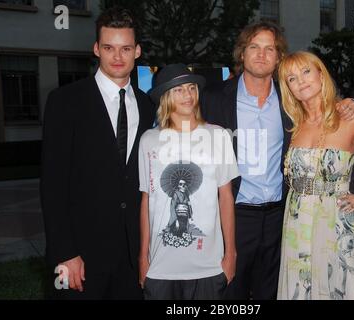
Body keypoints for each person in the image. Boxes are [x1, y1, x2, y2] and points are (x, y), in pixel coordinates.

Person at [200, 21, 354, 300]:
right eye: (254, 47)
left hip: (283, 215)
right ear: (242, 53)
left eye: (270, 49)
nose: (262, 54)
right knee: (228, 292)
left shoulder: (292, 99)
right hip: (234, 214)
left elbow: (325, 104)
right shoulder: (213, 98)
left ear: (278, 58)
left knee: (276, 290)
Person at [41, 7, 155, 299]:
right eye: (109, 48)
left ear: (137, 51)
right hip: (81, 256)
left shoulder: (148, 105)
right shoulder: (65, 101)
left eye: (126, 48)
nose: (117, 57)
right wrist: (66, 253)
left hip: (132, 256)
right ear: (96, 49)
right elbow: (52, 185)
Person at [277, 51, 354, 300]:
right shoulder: (293, 124)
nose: (300, 80)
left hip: (335, 220)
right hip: (296, 221)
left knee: (338, 287)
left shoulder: (350, 119)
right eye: (291, 78)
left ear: (321, 74)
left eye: (306, 71)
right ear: (288, 88)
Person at [138, 63, 239, 300]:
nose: (188, 95)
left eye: (192, 88)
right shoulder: (149, 140)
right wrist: (143, 257)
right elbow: (147, 200)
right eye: (179, 89)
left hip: (209, 265)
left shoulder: (219, 136)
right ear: (166, 96)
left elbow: (226, 197)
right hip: (160, 267)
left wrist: (230, 254)